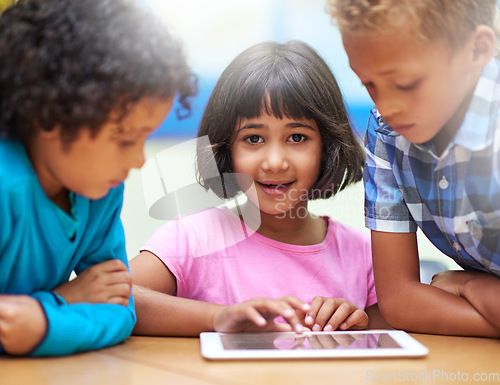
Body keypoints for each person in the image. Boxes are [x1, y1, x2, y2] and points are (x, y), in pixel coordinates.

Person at [130, 40, 389, 336]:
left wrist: (357, 330)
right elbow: (109, 299)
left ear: (327, 146)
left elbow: (386, 340)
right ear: (226, 147)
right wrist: (218, 318)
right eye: (253, 139)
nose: (275, 162)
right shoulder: (192, 238)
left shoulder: (365, 256)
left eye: (297, 138)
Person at [0, 0, 196, 356]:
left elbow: (122, 312)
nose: (138, 161)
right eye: (124, 140)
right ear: (49, 115)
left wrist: (44, 322)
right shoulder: (5, 183)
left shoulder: (100, 193)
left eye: (144, 138)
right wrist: (64, 299)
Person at [326, 0, 500, 337]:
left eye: (406, 83)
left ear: (477, 49)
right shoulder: (388, 133)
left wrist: (469, 285)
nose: (387, 107)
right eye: (369, 84)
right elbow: (400, 302)